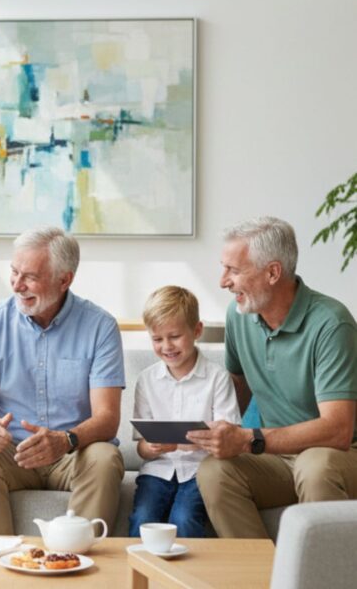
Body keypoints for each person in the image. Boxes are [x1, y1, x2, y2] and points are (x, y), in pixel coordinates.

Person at [190, 216, 357, 538]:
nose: (223, 281)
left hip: (341, 454)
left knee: (315, 467)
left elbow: (338, 430)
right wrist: (210, 431)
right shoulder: (239, 316)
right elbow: (237, 387)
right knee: (215, 471)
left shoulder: (332, 324)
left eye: (234, 270)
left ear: (273, 273)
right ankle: (261, 578)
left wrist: (250, 438)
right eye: (223, 268)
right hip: (278, 457)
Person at [0, 226, 126, 535]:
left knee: (105, 458)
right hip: (12, 452)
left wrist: (64, 440)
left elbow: (108, 419)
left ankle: (80, 565)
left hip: (74, 452)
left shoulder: (100, 326)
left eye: (30, 277)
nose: (17, 285)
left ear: (64, 280)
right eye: (14, 272)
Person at [128, 286, 240, 538]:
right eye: (157, 339)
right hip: (157, 470)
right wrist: (152, 447)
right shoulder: (146, 380)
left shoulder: (217, 378)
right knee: (142, 518)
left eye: (175, 336)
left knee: (185, 518)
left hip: (199, 470)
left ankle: (187, 576)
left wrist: (199, 441)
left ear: (196, 330)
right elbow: (141, 448)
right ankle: (138, 574)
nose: (166, 346)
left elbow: (229, 436)